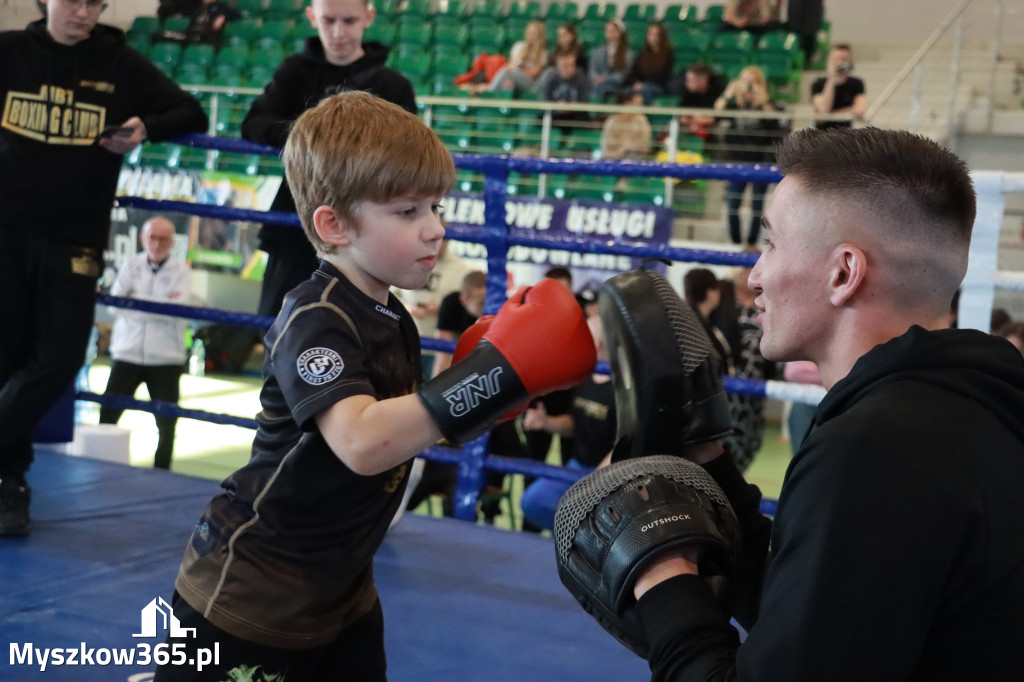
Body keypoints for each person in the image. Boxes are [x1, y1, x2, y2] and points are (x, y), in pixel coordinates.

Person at [155, 91, 595, 682]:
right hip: (251, 591)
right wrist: (491, 377)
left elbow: (414, 430)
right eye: (408, 212)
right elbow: (361, 443)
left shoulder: (392, 318)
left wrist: (490, 398)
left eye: (435, 206)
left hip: (344, 586)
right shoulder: (316, 314)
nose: (435, 229)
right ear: (334, 225)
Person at [627, 127, 1024, 679]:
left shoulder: (875, 449)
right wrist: (710, 464)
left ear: (843, 273)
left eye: (771, 243)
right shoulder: (976, 408)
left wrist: (663, 581)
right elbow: (837, 620)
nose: (755, 275)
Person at [0, 0, 207, 536]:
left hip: (76, 236)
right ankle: (10, 484)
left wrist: (146, 128)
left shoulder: (121, 64)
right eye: (74, 0)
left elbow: (193, 112)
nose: (84, 12)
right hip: (6, 230)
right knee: (6, 357)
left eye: (96, 2)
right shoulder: (9, 53)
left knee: (63, 355)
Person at [241, 0, 416, 319]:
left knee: (356, 327)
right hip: (295, 220)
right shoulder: (294, 72)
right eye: (328, 21)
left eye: (348, 21)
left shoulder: (394, 86)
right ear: (311, 18)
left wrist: (320, 142)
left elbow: (408, 153)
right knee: (277, 323)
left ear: (369, 16)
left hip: (362, 227)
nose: (338, 32)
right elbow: (253, 124)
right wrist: (322, 139)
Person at [99, 217, 191, 470]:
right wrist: (159, 303)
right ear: (143, 238)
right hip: (126, 353)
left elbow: (177, 309)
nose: (157, 243)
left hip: (165, 357)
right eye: (152, 237)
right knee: (107, 415)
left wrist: (135, 300)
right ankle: (98, 465)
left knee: (167, 423)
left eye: (163, 239)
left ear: (172, 242)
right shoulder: (131, 265)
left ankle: (163, 472)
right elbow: (114, 305)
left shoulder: (182, 271)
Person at [519, 313, 616, 531]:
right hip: (578, 466)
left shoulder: (623, 386)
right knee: (532, 501)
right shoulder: (586, 377)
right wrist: (546, 423)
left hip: (610, 474)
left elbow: (628, 441)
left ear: (599, 341)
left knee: (591, 517)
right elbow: (574, 423)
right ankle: (582, 542)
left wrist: (597, 483)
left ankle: (589, 544)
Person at [714, 65, 784, 245]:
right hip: (737, 158)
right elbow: (717, 112)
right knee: (732, 204)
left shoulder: (768, 104)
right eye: (746, 82)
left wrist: (763, 100)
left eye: (754, 83)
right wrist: (728, 93)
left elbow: (775, 123)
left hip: (760, 159)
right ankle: (736, 242)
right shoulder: (734, 105)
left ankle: (752, 243)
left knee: (757, 206)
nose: (750, 87)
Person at [535, 47, 591, 136]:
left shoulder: (581, 79)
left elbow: (585, 102)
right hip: (557, 114)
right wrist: (557, 107)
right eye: (565, 66)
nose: (569, 69)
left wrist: (572, 106)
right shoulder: (552, 79)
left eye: (571, 65)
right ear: (558, 66)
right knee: (540, 119)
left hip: (575, 114)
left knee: (583, 119)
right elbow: (546, 100)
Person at [811, 43, 867, 129]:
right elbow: (824, 109)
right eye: (835, 59)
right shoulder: (818, 83)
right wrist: (831, 79)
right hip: (821, 135)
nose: (839, 63)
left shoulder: (857, 83)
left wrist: (829, 115)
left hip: (845, 135)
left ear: (850, 61)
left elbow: (859, 110)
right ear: (829, 61)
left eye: (843, 59)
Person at [489, 19, 548, 96]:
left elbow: (534, 73)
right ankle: (500, 104)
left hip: (530, 83)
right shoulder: (518, 46)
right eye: (528, 32)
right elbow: (510, 65)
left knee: (507, 72)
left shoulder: (542, 52)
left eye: (533, 34)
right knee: (507, 83)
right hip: (513, 77)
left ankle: (490, 93)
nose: (529, 36)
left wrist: (520, 70)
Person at [624, 22, 674, 105]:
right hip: (641, 85)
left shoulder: (667, 54)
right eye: (650, 33)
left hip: (657, 86)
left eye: (655, 34)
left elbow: (664, 76)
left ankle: (644, 114)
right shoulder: (643, 53)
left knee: (645, 90)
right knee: (626, 90)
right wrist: (636, 82)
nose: (651, 37)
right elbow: (634, 71)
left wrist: (644, 84)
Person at [673, 62, 725, 139]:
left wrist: (705, 119)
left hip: (711, 129)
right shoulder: (688, 93)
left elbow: (719, 116)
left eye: (691, 80)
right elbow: (681, 114)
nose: (687, 83)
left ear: (703, 80)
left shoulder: (718, 90)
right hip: (693, 126)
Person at [588, 19, 634, 103]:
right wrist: (595, 77)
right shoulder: (599, 51)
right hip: (598, 83)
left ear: (620, 33)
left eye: (612, 31)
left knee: (599, 87)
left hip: (618, 85)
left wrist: (604, 79)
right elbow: (592, 69)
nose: (609, 33)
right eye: (607, 31)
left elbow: (622, 76)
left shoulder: (627, 53)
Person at [600, 90, 652, 160]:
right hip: (614, 159)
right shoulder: (612, 122)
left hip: (635, 156)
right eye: (638, 104)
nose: (641, 107)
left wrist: (628, 148)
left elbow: (645, 144)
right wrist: (621, 151)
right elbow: (608, 148)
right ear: (627, 104)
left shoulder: (641, 120)